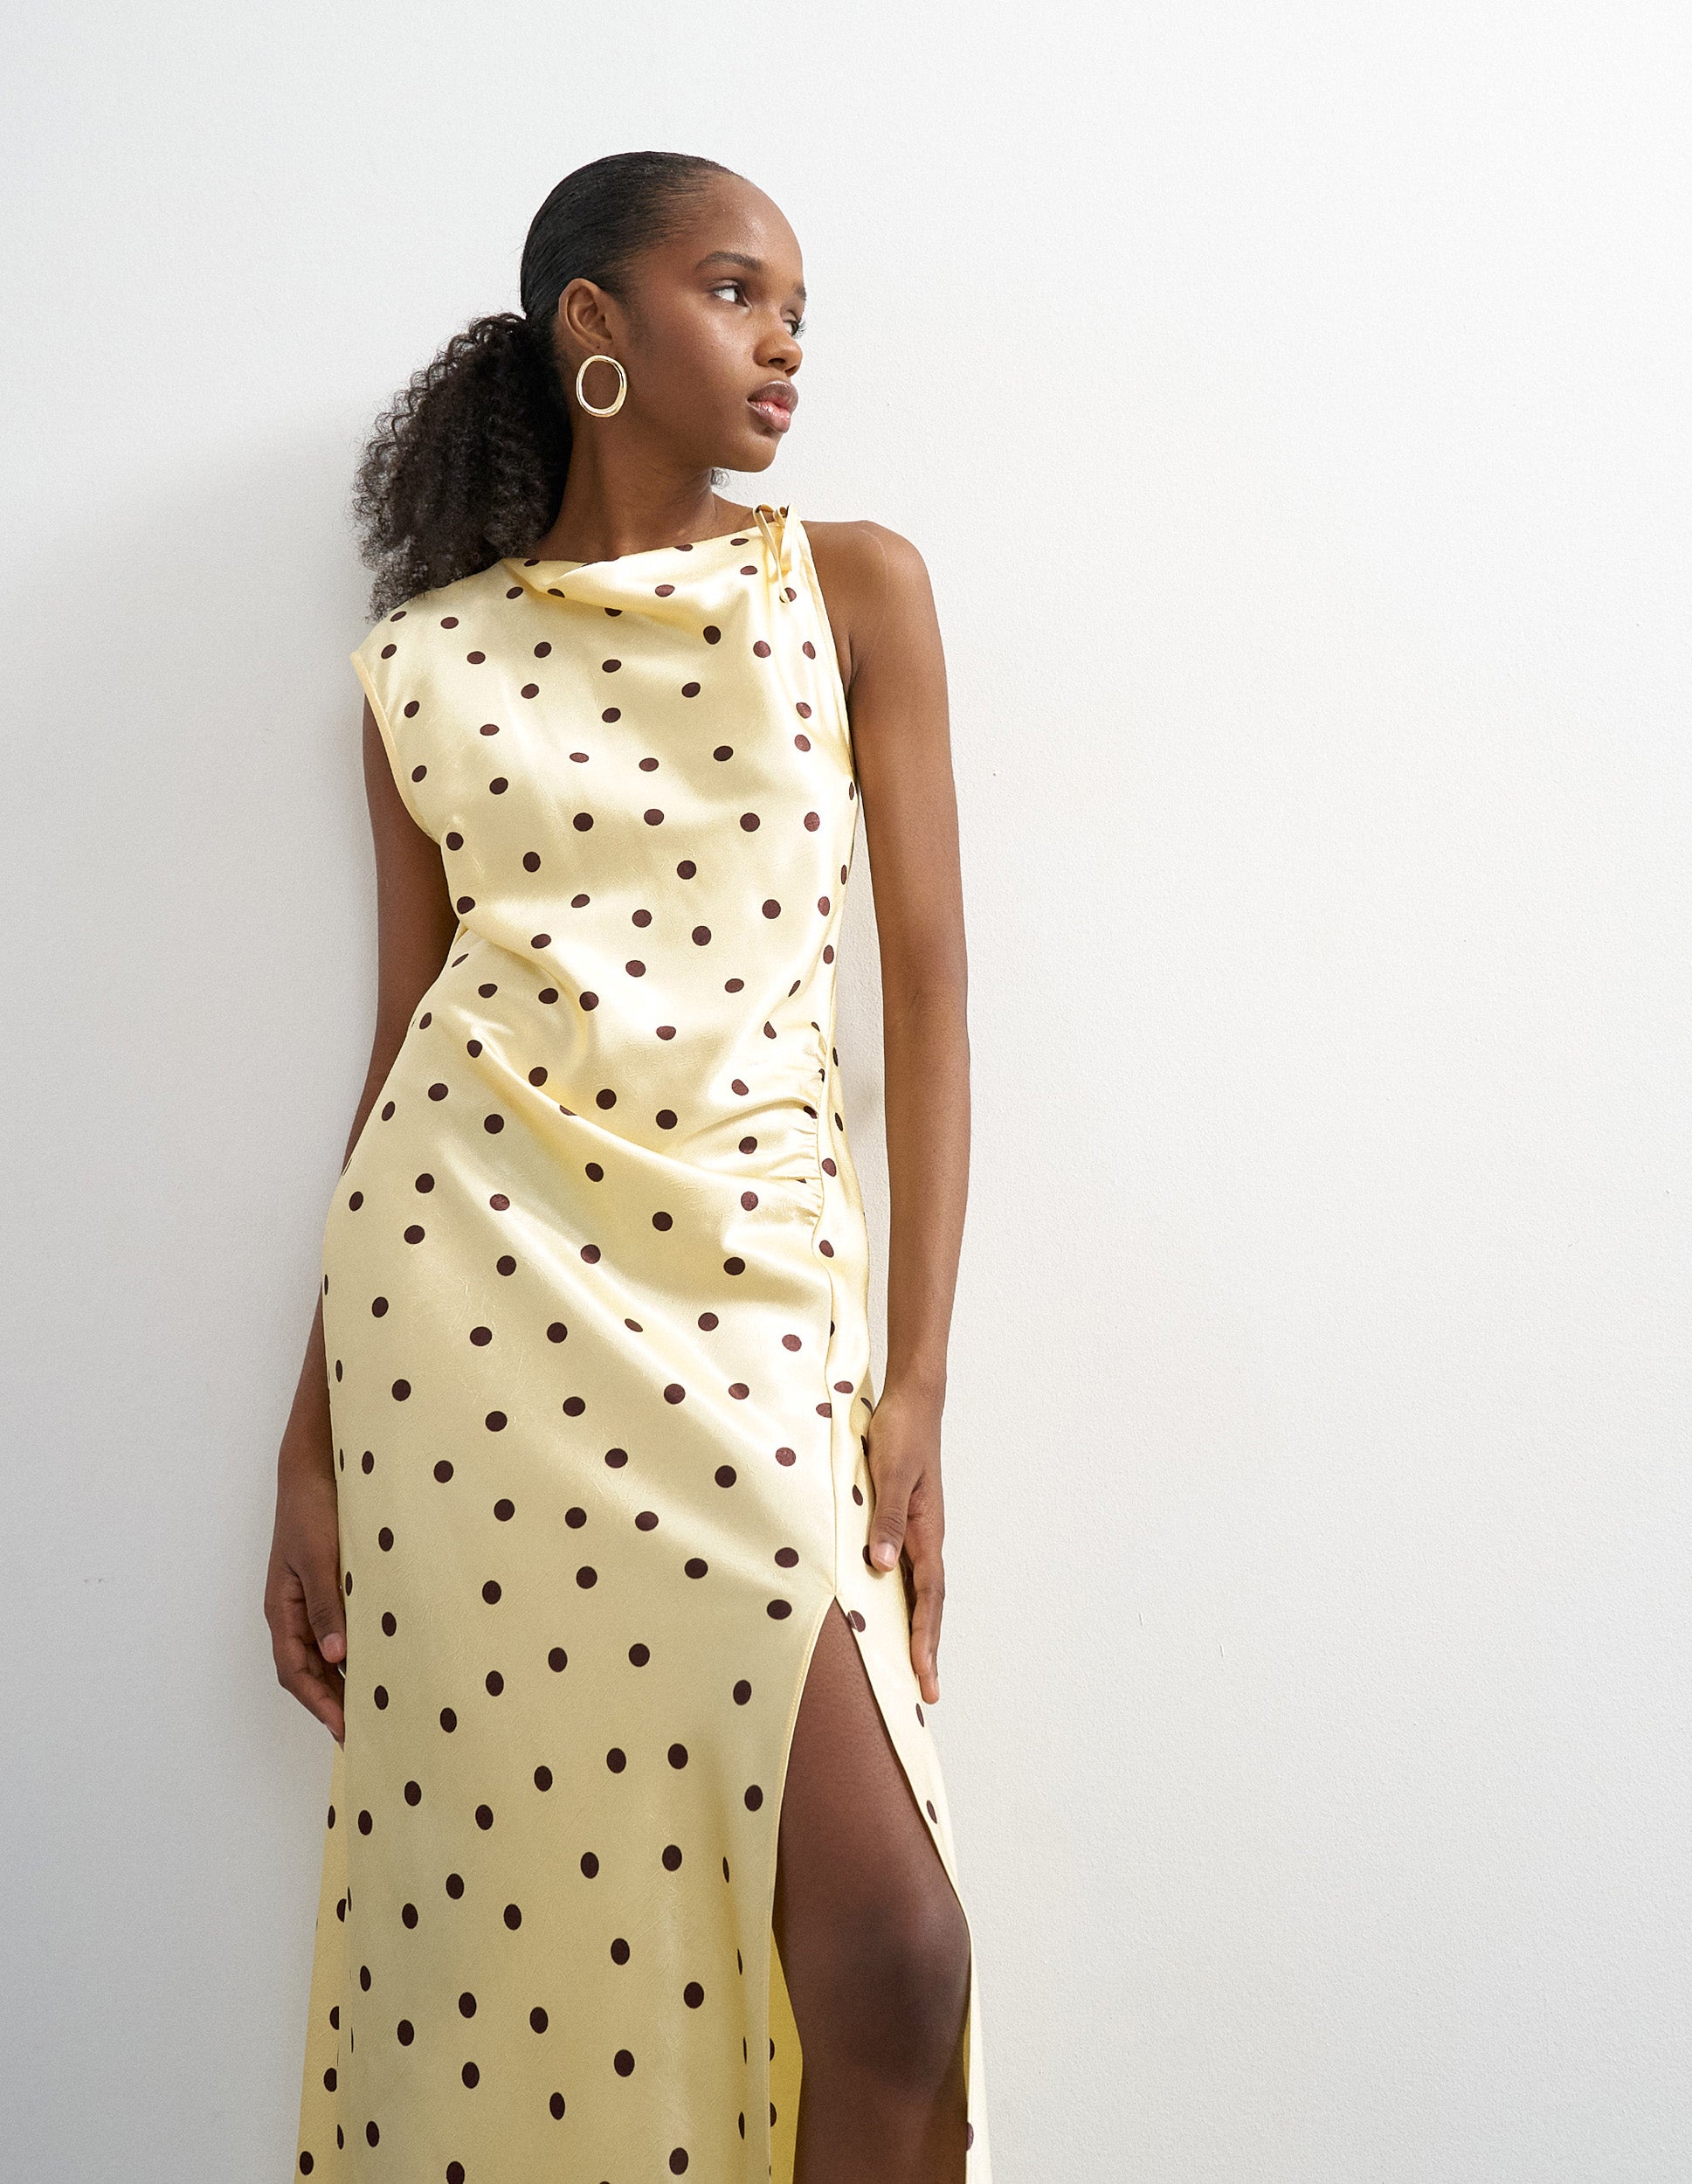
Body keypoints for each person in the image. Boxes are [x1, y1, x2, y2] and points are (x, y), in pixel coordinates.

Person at [265, 149, 991, 2184]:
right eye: (736, 290)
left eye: (796, 312)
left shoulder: (850, 587)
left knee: (894, 1954)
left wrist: (917, 1382)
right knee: (545, 1932)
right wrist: (309, 1443)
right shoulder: (423, 667)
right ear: (594, 324)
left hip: (758, 1307)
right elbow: (400, 1051)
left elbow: (929, 997)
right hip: (471, 1316)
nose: (783, 344)